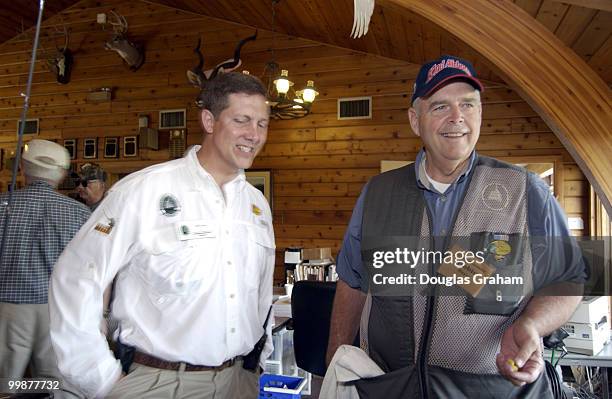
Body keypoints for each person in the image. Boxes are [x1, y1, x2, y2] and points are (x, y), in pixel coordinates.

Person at [325, 55, 586, 398]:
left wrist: (532, 324)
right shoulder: (378, 194)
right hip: (392, 387)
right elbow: (352, 284)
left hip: (493, 389)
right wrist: (335, 363)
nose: (457, 117)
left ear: (480, 113)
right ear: (415, 120)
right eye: (440, 106)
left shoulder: (525, 191)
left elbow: (568, 279)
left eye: (468, 104)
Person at [49, 72, 275, 399]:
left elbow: (261, 300)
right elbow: (75, 277)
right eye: (242, 120)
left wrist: (259, 367)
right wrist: (99, 378)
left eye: (262, 124)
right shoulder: (143, 191)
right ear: (209, 121)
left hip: (240, 382)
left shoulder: (256, 205)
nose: (253, 134)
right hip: (161, 383)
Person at [0, 139, 91, 398]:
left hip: (7, 308)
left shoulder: (2, 206)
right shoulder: (79, 213)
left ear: (23, 169)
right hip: (58, 311)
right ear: (62, 174)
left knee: (5, 383)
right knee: (53, 383)